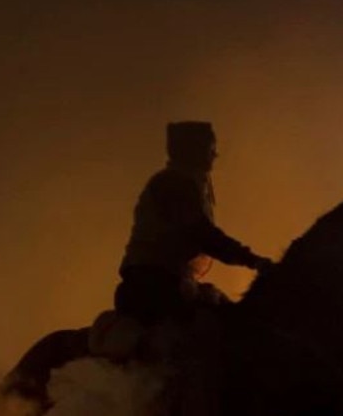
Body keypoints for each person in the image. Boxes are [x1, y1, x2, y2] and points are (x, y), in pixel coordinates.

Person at [114, 121, 272, 327]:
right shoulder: (173, 185)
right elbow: (203, 234)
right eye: (210, 148)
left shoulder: (179, 183)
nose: (214, 155)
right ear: (194, 150)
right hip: (155, 286)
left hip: (162, 282)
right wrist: (253, 261)